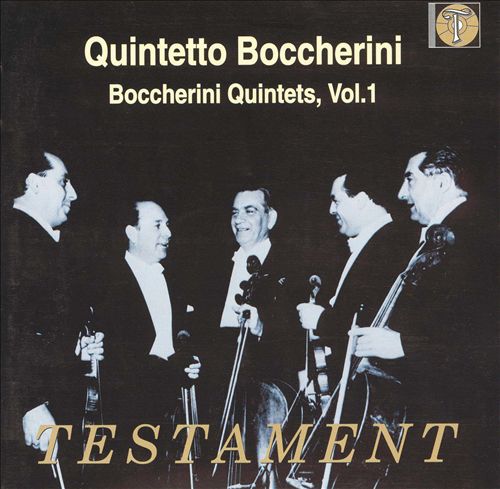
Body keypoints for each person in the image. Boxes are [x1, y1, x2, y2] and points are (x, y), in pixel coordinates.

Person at [350, 146, 497, 488]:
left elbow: (486, 340)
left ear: (442, 182)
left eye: (410, 180)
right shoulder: (445, 237)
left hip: (460, 431)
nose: (401, 193)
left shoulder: (473, 237)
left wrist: (404, 345)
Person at [2, 151, 103, 489]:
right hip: (30, 417)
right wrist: (30, 405)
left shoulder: (35, 240)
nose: (73, 193)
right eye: (63, 182)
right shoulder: (15, 239)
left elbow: (34, 330)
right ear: (34, 183)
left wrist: (74, 350)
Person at [92, 200, 201, 489]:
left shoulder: (173, 279)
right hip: (129, 420)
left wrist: (192, 361)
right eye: (158, 225)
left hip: (173, 413)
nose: (168, 233)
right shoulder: (107, 282)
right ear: (132, 232)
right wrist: (174, 370)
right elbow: (120, 361)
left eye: (168, 225)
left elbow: (180, 339)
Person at [197, 187, 302, 487]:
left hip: (267, 398)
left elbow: (298, 335)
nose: (239, 219)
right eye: (235, 212)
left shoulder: (291, 267)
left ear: (272, 217)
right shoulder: (216, 267)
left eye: (250, 210)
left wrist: (262, 327)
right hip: (221, 388)